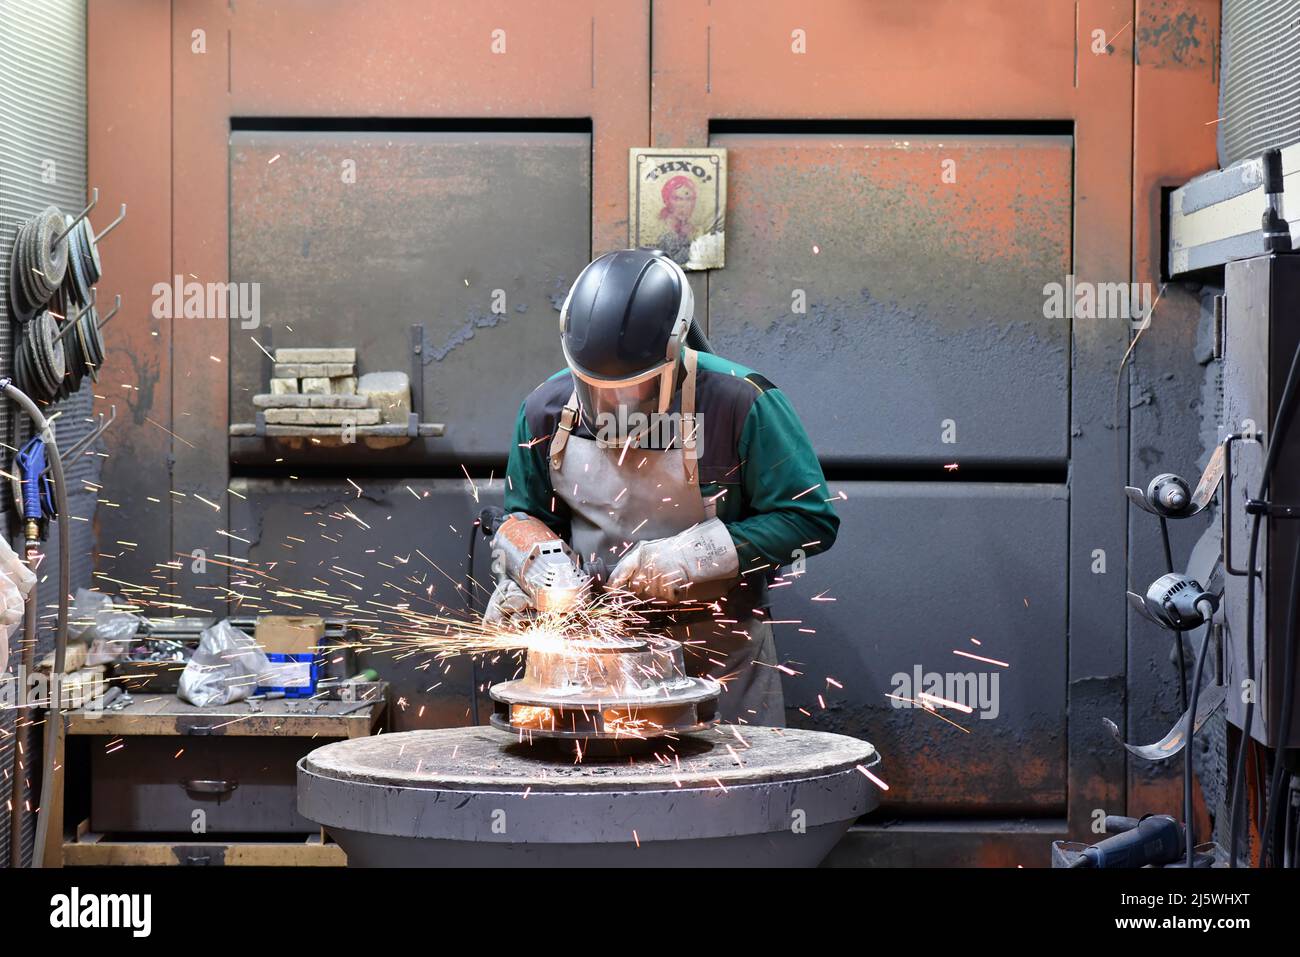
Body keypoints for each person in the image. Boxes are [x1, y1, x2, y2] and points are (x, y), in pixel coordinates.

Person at [489, 248, 838, 725]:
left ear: (676, 353)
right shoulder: (544, 411)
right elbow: (525, 516)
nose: (614, 405)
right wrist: (529, 569)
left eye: (635, 388)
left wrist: (690, 557)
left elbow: (810, 519)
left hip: (718, 650)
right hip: (589, 656)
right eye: (595, 387)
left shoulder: (741, 403)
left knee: (728, 793)